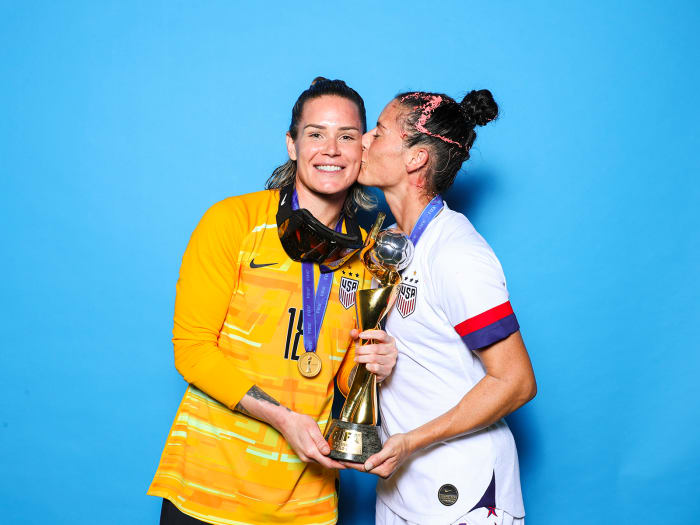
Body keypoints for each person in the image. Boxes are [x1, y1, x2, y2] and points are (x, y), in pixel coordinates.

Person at [148, 78, 398, 525]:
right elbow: (191, 348)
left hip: (308, 504)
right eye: (315, 134)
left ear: (364, 149)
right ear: (291, 145)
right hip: (206, 492)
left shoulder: (371, 256)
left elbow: (339, 381)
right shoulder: (232, 221)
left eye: (346, 136)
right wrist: (282, 417)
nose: (331, 149)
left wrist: (373, 365)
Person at [352, 89, 537, 525]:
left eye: (377, 133)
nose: (361, 140)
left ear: (415, 159)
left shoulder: (456, 253)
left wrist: (412, 441)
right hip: (401, 486)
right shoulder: (389, 244)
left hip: (467, 491)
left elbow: (516, 382)